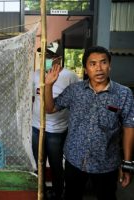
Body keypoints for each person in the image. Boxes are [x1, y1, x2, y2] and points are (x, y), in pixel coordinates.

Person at [45, 46, 134, 200]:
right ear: (86, 69)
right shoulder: (74, 91)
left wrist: (127, 163)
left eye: (103, 62)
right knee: (71, 196)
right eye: (92, 64)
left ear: (110, 65)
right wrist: (48, 86)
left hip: (106, 163)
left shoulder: (123, 94)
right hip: (75, 159)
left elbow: (129, 127)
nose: (99, 68)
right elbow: (50, 108)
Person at [32, 41, 79, 200]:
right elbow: (34, 98)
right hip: (36, 128)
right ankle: (41, 191)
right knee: (38, 164)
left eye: (49, 56)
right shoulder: (36, 74)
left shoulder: (70, 76)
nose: (45, 58)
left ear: (58, 58)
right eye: (43, 55)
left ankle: (58, 192)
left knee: (56, 164)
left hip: (56, 131)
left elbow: (75, 101)